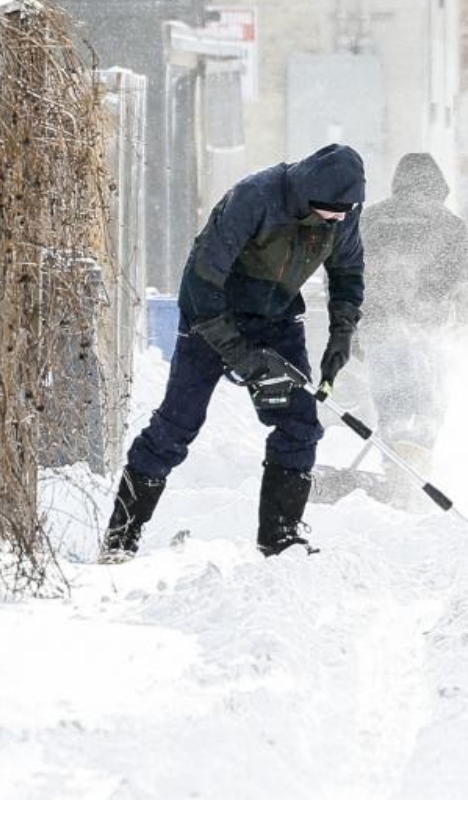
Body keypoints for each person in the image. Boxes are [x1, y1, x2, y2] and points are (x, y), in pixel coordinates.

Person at [101, 143, 365, 560]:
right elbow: (201, 284)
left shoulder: (344, 213)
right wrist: (244, 358)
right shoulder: (255, 197)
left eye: (347, 212)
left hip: (277, 318)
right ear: (309, 198)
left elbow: (348, 273)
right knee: (177, 425)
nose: (339, 219)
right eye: (331, 212)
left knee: (300, 426)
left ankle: (280, 539)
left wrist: (341, 336)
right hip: (211, 315)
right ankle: (120, 537)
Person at [309, 153, 468, 509]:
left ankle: (397, 472)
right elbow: (466, 285)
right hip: (427, 330)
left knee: (392, 402)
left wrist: (349, 328)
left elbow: (340, 274)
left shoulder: (367, 220)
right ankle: (411, 481)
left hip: (376, 328)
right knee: (428, 403)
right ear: (437, 186)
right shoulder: (449, 224)